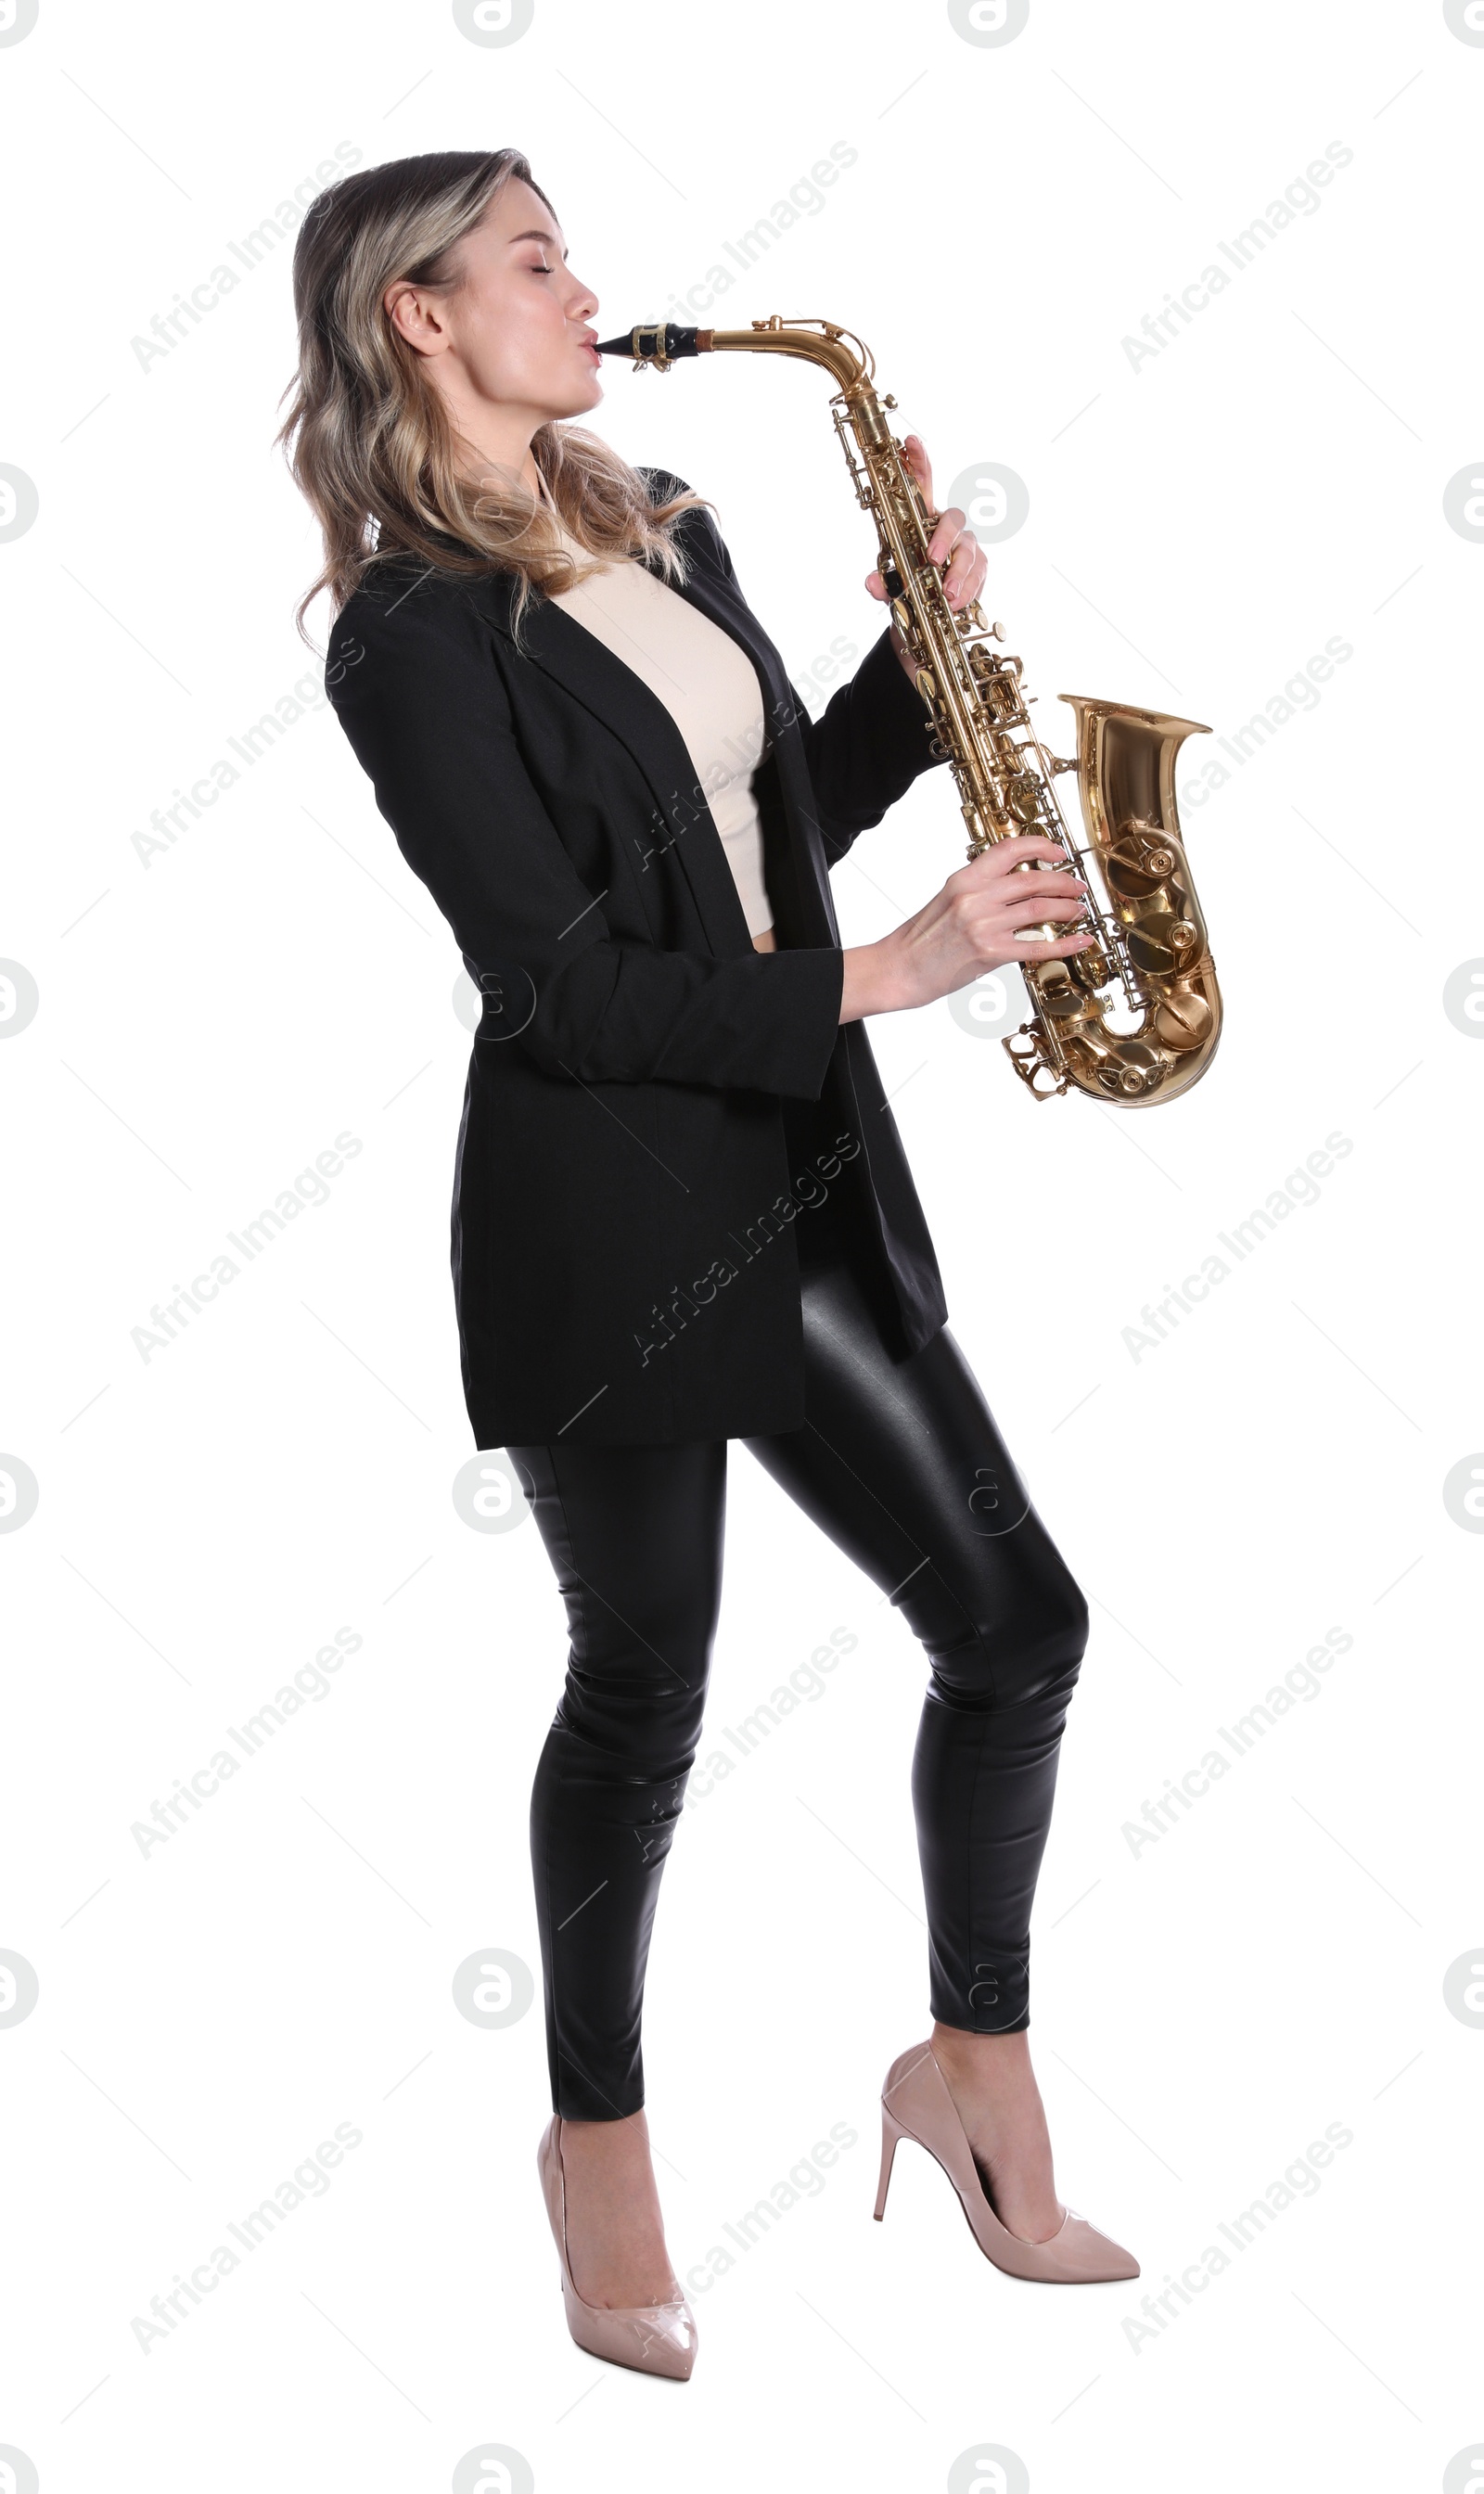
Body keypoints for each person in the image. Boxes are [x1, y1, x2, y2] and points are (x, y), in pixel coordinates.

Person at [280, 145, 1139, 2383]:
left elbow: (774, 828)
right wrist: (894, 970)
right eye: (534, 260)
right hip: (599, 1220)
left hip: (795, 1174)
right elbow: (554, 987)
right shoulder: (405, 633)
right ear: (420, 322)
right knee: (645, 1695)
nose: (588, 287)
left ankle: (969, 2064)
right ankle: (598, 2142)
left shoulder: (655, 511)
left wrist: (901, 657)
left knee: (1014, 1623)